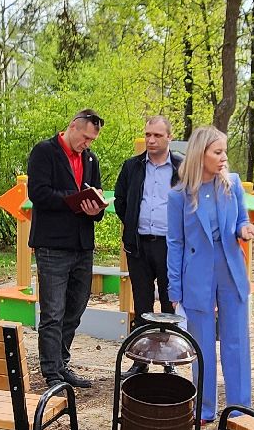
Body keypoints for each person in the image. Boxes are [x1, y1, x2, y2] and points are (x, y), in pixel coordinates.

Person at [166, 127, 254, 424]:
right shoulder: (179, 195)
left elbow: (242, 219)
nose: (223, 158)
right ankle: (205, 409)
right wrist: (174, 288)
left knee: (236, 339)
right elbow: (175, 243)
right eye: (217, 152)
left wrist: (244, 229)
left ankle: (240, 408)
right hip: (197, 274)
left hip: (230, 268)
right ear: (200, 154)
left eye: (224, 152)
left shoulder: (232, 184)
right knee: (201, 342)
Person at [26, 109, 106, 389]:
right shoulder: (44, 151)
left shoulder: (91, 159)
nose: (88, 144)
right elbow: (37, 193)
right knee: (53, 311)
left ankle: (62, 361)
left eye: (92, 140)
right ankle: (51, 372)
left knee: (75, 307)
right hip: (52, 245)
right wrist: (74, 200)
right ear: (73, 126)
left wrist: (95, 209)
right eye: (85, 137)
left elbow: (97, 198)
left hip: (83, 245)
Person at [113, 114, 183, 375]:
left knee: (169, 302)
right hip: (139, 245)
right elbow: (121, 201)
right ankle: (140, 360)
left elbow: (191, 202)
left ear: (169, 137)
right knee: (142, 303)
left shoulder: (181, 167)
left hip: (170, 246)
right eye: (148, 135)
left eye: (157, 135)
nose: (151, 140)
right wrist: (133, 223)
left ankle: (169, 362)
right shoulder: (132, 166)